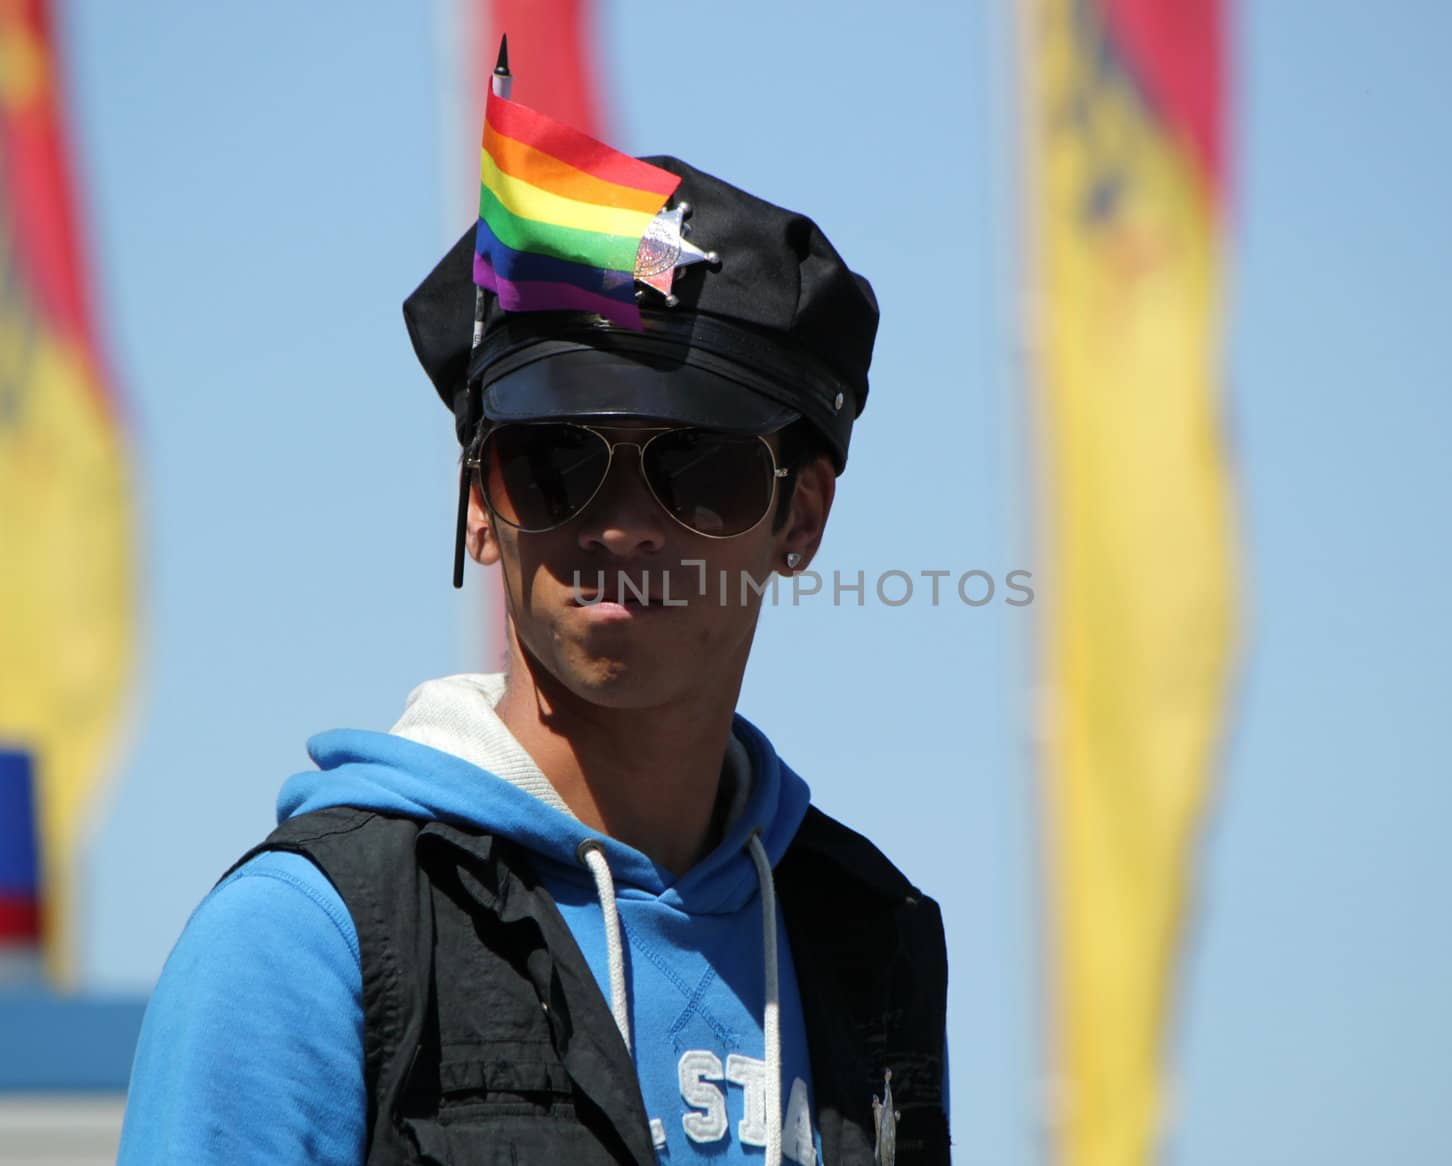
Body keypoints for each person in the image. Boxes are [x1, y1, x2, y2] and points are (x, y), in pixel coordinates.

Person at [118, 154, 950, 1165]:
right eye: (555, 462)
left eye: (701, 470)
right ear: (478, 502)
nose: (626, 528)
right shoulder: (303, 940)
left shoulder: (867, 935)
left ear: (801, 518)